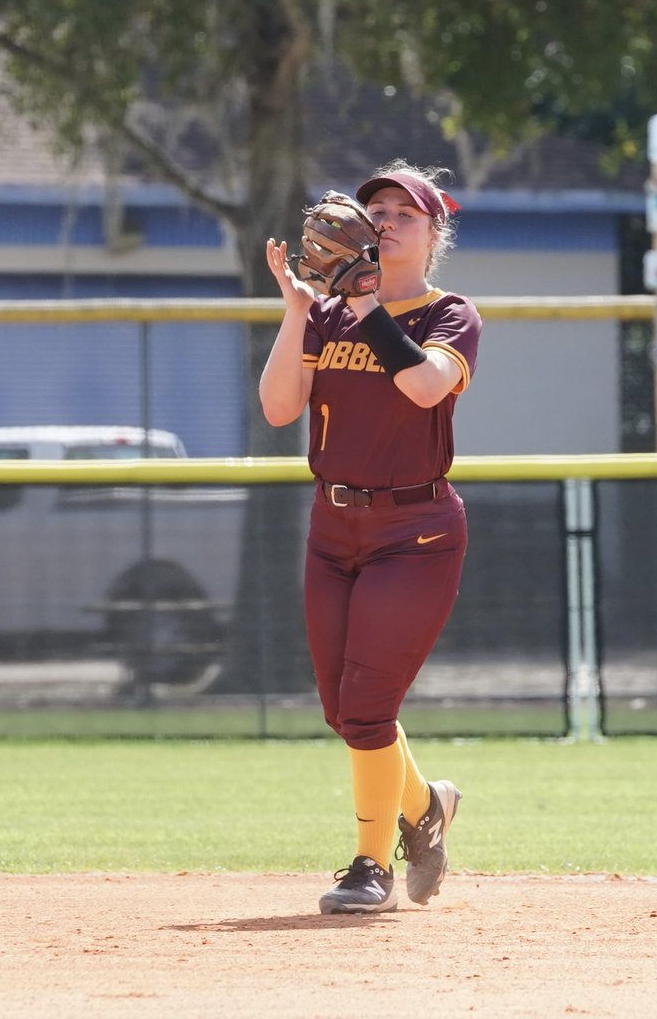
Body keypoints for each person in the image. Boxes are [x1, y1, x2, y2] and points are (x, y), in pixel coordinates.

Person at [259, 161, 481, 915]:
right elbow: (279, 409)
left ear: (432, 234)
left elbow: (424, 387)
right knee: (345, 711)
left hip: (414, 531)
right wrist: (298, 310)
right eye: (375, 210)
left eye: (404, 214)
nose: (385, 221)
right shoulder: (326, 315)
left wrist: (362, 303)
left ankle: (369, 866)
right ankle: (427, 807)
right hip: (333, 528)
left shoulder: (449, 314)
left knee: (367, 705)